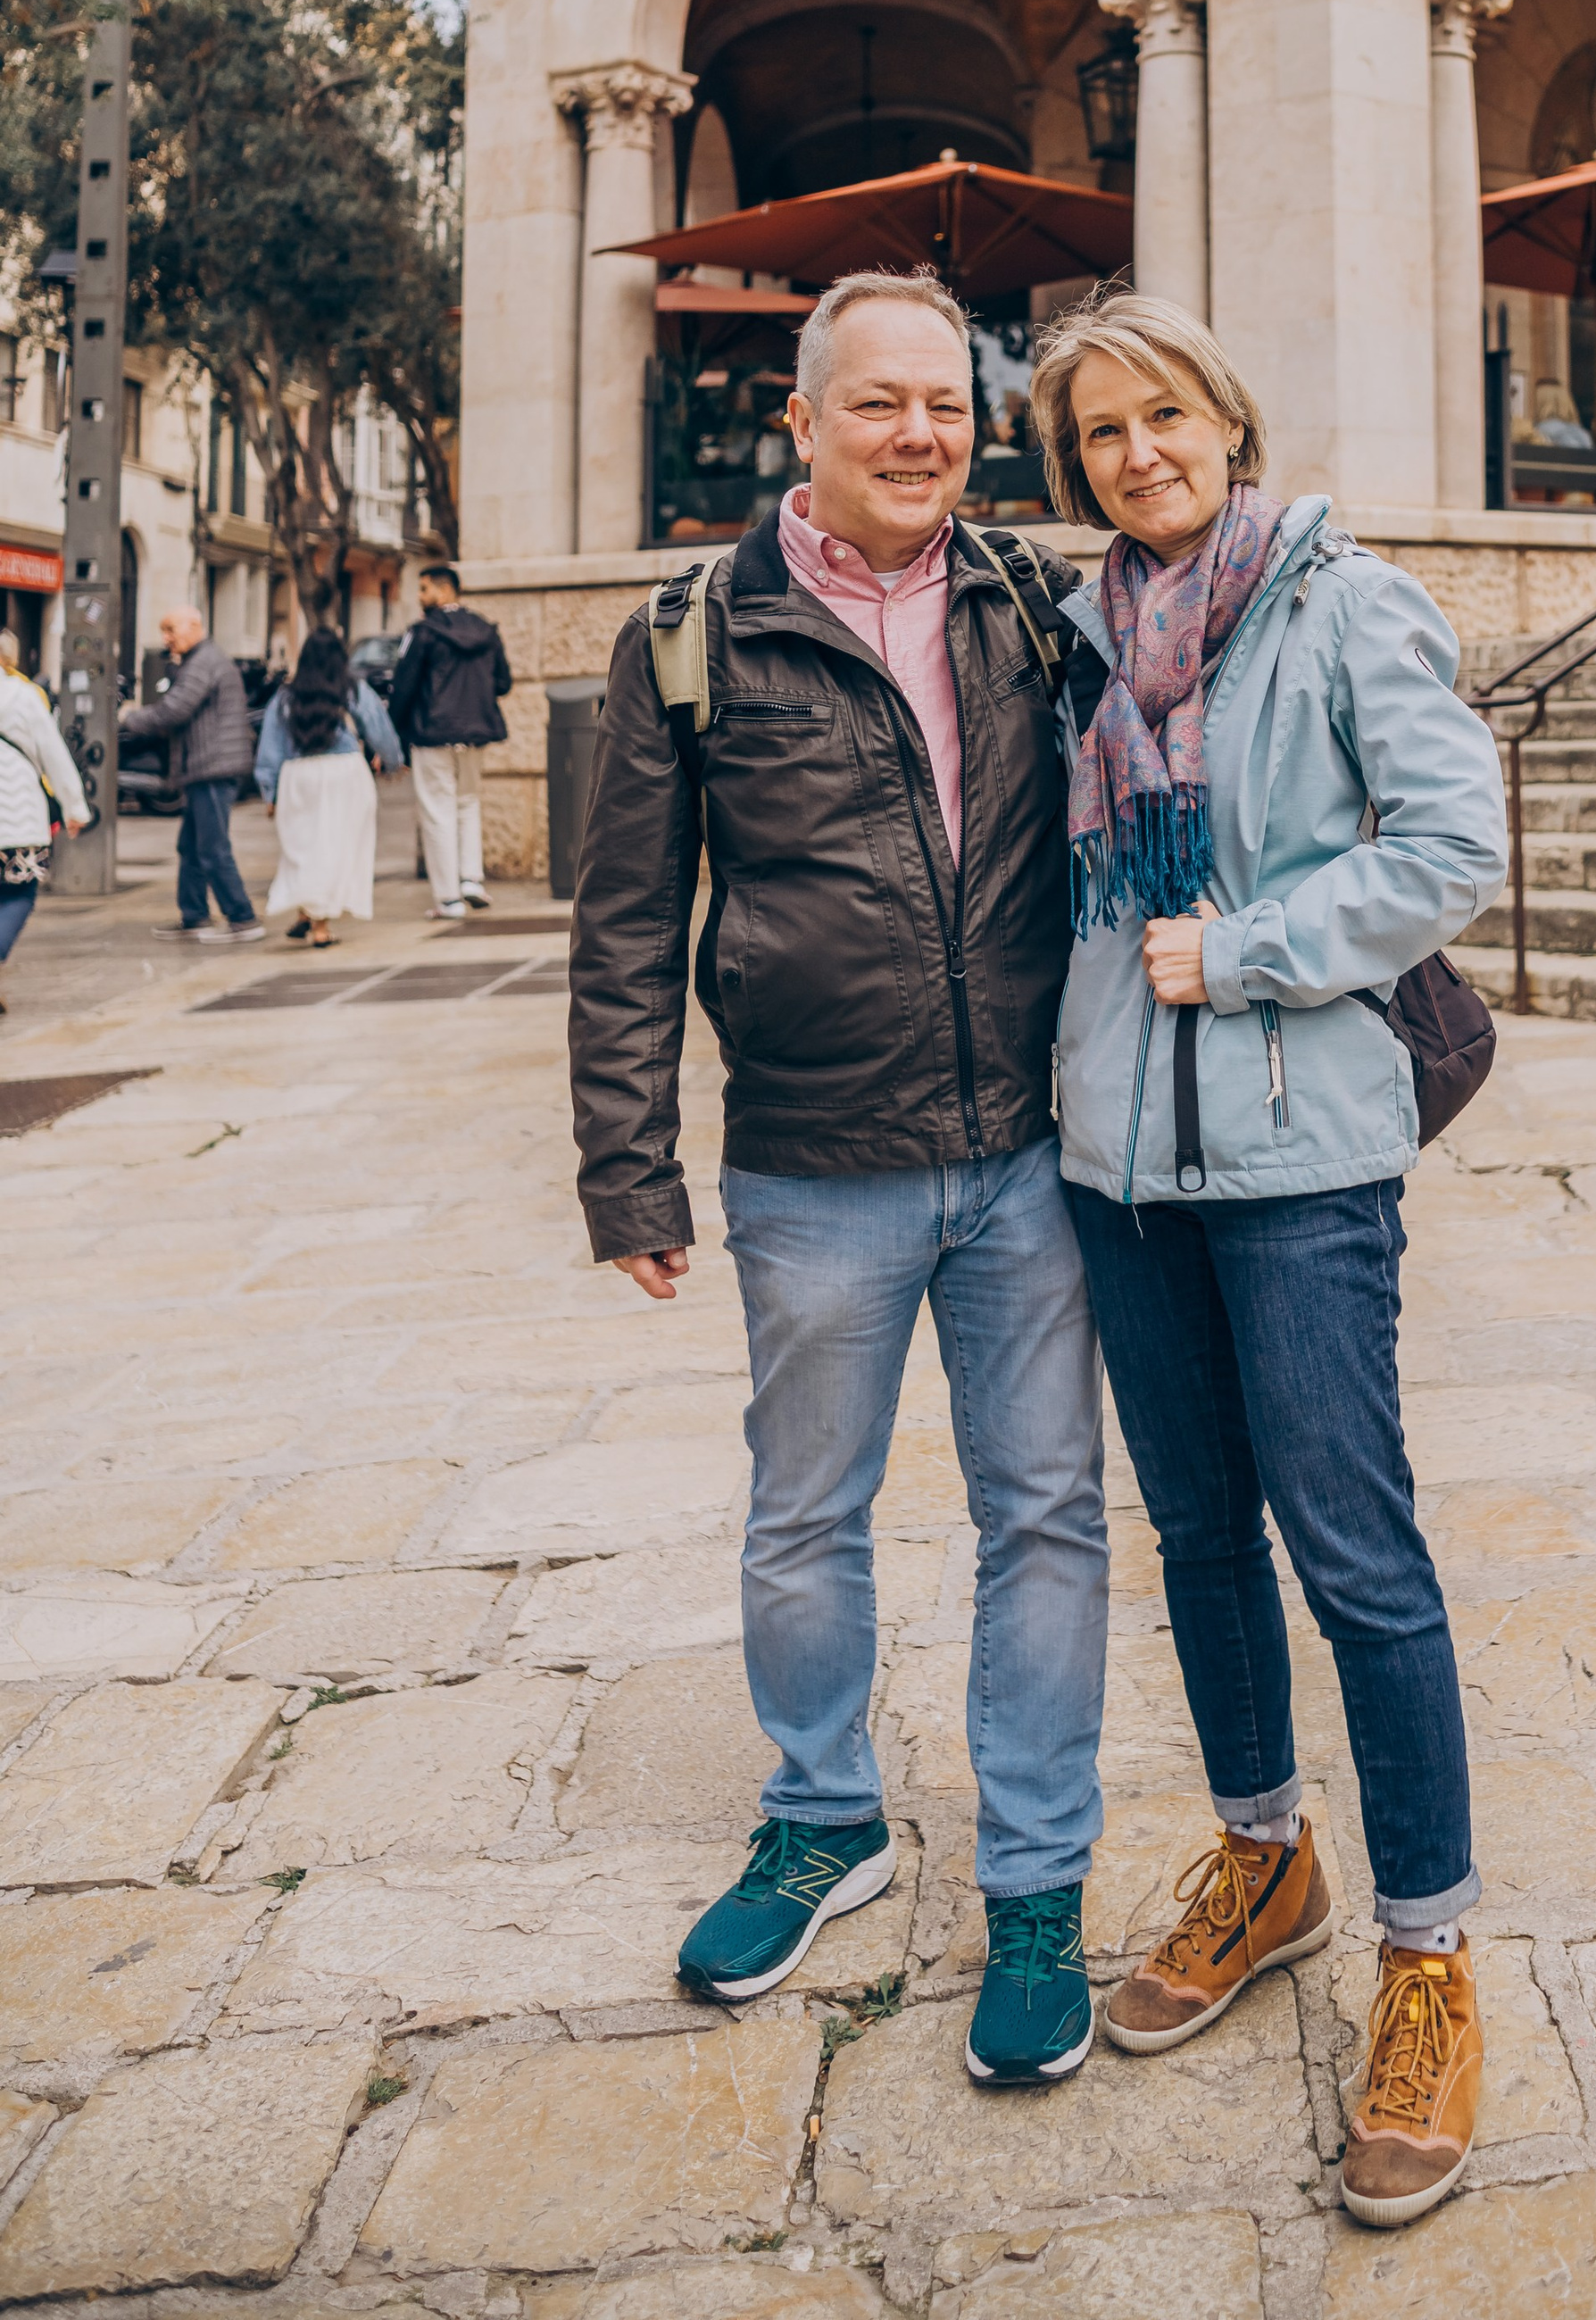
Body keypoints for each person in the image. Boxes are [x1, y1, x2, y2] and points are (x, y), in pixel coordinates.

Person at [568, 269, 1110, 2086]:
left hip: (1029, 1159)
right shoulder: (690, 634)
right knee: (805, 1519)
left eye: (947, 401)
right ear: (802, 423)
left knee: (1048, 1517)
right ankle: (824, 1819)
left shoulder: (1029, 600)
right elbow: (627, 923)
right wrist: (627, 1169)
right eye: (878, 401)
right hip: (814, 1169)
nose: (918, 433)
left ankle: (1036, 1879)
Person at [1030, 292, 1509, 2234]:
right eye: (1100, 434)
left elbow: (1451, 846)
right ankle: (1263, 1859)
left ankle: (1430, 1955)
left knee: (1355, 1557)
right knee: (1200, 1538)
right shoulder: (1075, 641)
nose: (1136, 454)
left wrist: (1241, 953)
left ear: (1228, 422)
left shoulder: (1343, 605)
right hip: (1120, 1169)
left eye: (1164, 416)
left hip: (1304, 1160)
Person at [118, 608, 262, 945]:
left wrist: (129, 718)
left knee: (212, 847)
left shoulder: (203, 661)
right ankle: (194, 916)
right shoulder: (200, 660)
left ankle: (242, 917)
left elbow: (175, 709)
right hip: (207, 767)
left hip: (212, 767)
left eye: (171, 629)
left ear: (194, 626)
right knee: (192, 846)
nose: (166, 638)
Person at [254, 630, 404, 947]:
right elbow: (378, 728)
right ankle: (320, 927)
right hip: (345, 773)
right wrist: (393, 761)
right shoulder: (352, 689)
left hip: (298, 775)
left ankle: (306, 914)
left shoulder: (286, 696)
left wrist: (270, 792)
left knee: (303, 847)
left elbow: (271, 746)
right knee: (335, 848)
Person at [387, 562, 512, 918]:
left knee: (437, 810)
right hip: (475, 733)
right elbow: (503, 682)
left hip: (433, 733)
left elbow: (404, 688)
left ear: (444, 591)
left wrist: (392, 736)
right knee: (468, 802)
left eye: (424, 589)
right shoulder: (486, 629)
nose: (419, 596)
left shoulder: (422, 632)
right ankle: (471, 880)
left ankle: (448, 898)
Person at [0, 630, 88, 1012]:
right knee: (19, 894)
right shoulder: (23, 696)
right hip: (19, 821)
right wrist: (75, 807)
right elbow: (54, 753)